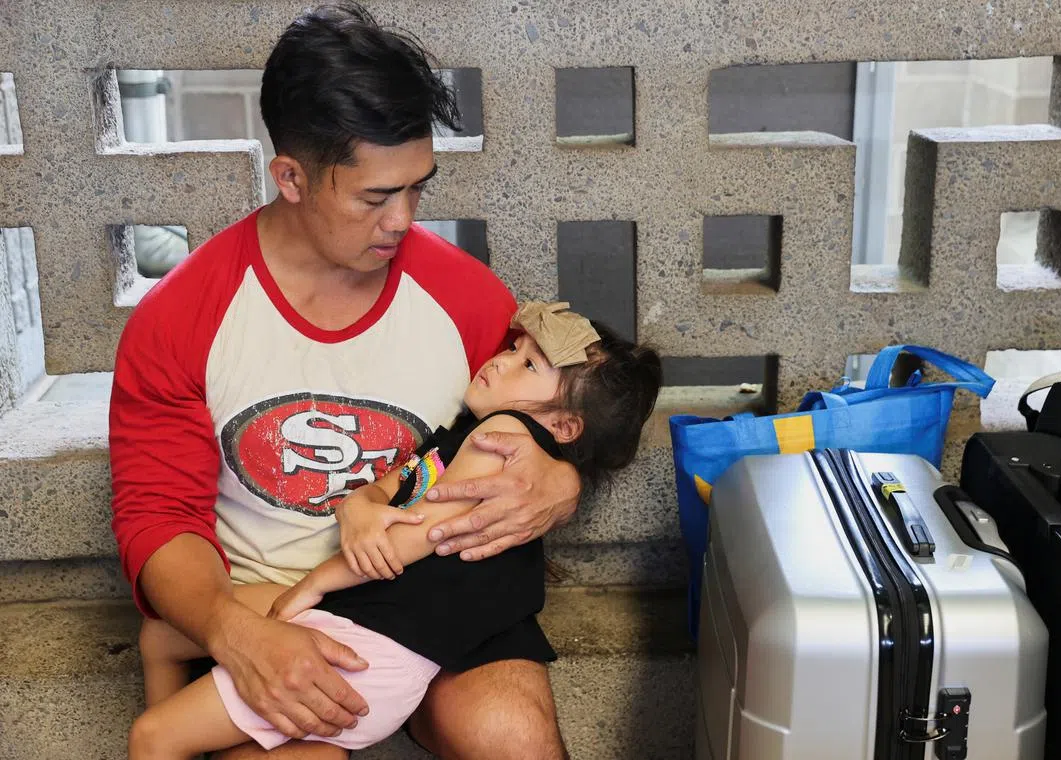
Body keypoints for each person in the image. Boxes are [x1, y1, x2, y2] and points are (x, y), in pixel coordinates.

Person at [109, 4, 583, 758]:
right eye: (373, 197)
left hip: (435, 600)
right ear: (291, 177)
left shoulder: (468, 300)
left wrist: (561, 484)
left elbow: (548, 418)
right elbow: (157, 517)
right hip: (268, 605)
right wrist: (234, 635)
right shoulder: (182, 319)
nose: (403, 220)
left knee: (513, 737)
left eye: (417, 188)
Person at [126, 305, 664, 759]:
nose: (501, 360)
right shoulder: (464, 435)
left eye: (526, 364)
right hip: (371, 616)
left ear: (564, 427)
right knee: (163, 633)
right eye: (512, 348)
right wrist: (359, 506)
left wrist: (317, 581)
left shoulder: (501, 433)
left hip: (372, 641)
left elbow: (412, 537)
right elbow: (390, 490)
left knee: (152, 735)